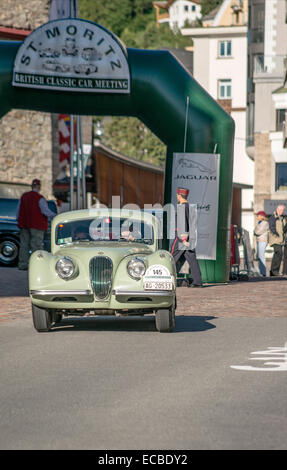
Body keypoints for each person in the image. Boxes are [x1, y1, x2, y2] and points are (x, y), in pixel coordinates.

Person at [17, 179, 57, 270]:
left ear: (32, 186)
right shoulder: (40, 198)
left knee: (24, 245)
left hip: (24, 224)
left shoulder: (24, 196)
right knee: (36, 246)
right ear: (39, 187)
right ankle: (36, 266)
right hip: (37, 225)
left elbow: (18, 211)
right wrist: (55, 216)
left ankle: (23, 264)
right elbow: (45, 211)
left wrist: (19, 220)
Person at [170, 187, 202, 287]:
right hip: (189, 236)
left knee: (170, 258)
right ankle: (198, 282)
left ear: (179, 196)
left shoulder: (181, 207)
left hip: (181, 237)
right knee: (192, 260)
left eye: (177, 195)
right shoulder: (190, 207)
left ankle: (165, 279)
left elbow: (182, 223)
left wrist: (183, 239)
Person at [268, 204, 287, 276]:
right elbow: (271, 227)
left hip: (280, 240)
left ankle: (273, 271)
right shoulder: (273, 217)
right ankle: (274, 271)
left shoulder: (282, 218)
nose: (282, 211)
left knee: (278, 255)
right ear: (277, 209)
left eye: (283, 210)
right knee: (278, 253)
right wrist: (276, 235)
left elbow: (283, 230)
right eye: (281, 210)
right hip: (275, 239)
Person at [254, 210, 269, 276]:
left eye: (258, 215)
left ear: (262, 216)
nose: (257, 216)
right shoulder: (260, 222)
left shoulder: (265, 223)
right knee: (259, 257)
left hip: (262, 241)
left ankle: (263, 272)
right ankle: (261, 271)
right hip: (259, 240)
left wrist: (255, 231)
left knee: (261, 256)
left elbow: (257, 232)